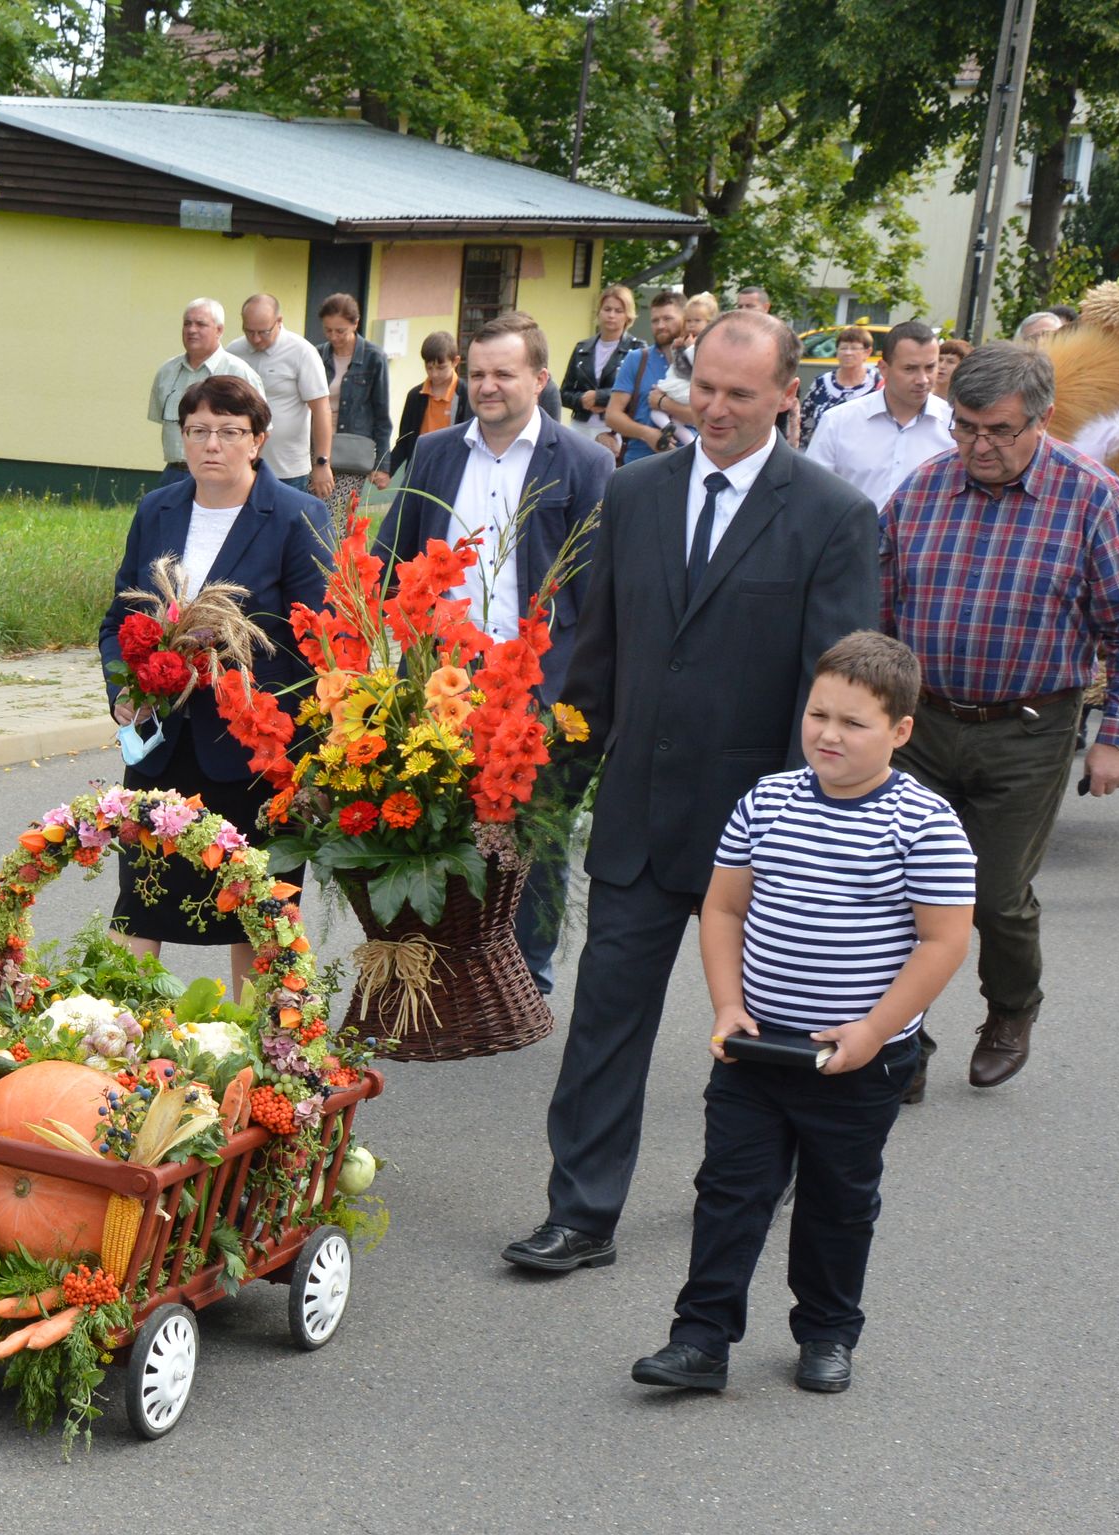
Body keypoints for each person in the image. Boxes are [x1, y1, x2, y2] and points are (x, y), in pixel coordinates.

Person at [504, 309, 883, 1277]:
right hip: (639, 818)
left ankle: (757, 1181)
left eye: (738, 395)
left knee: (764, 1033)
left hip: (762, 835)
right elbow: (596, 664)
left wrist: (811, 832)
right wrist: (545, 802)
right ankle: (580, 1213)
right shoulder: (633, 492)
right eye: (703, 388)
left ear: (787, 397)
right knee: (603, 1025)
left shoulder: (833, 516)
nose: (713, 408)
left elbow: (831, 698)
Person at [628, 634, 975, 1395]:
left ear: (901, 731)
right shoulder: (767, 801)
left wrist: (874, 1031)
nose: (829, 734)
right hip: (757, 1048)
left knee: (837, 1201)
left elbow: (944, 941)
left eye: (854, 723)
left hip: (857, 1059)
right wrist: (728, 1004)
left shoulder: (924, 822)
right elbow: (723, 908)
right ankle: (700, 1339)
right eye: (819, 714)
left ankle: (827, 1330)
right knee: (729, 1192)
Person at [877, 340, 1119, 1093]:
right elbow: (879, 612)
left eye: (1000, 430)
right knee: (896, 890)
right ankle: (901, 1039)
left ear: (1041, 419)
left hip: (1028, 729)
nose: (980, 446)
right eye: (965, 426)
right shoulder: (921, 491)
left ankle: (1011, 1007)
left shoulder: (1093, 497)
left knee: (996, 894)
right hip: (920, 725)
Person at [372, 312, 616, 994]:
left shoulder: (586, 463)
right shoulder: (435, 452)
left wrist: (577, 690)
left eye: (503, 373)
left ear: (539, 379)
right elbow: (394, 553)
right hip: (443, 679)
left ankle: (526, 975)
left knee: (536, 832)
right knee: (442, 824)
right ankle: (445, 966)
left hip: (537, 679)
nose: (487, 386)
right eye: (477, 373)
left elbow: (598, 591)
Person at [99, 372, 332, 971]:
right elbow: (119, 619)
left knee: (257, 911)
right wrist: (124, 688)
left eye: (229, 431)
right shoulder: (157, 509)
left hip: (253, 753)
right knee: (140, 904)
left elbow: (319, 642)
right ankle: (123, 1022)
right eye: (198, 430)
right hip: (162, 748)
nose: (211, 444)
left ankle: (260, 1029)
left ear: (258, 440)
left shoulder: (296, 517)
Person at [802, 321, 954, 511]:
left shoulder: (955, 426)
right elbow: (811, 493)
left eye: (930, 367)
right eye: (910, 369)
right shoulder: (838, 422)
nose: (922, 379)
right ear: (883, 369)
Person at [150, 299, 265, 485]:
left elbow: (262, 430)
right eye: (187, 323)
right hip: (174, 474)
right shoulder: (167, 372)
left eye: (200, 324)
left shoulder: (239, 373)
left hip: (222, 475)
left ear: (219, 330)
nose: (191, 330)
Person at [237, 293, 338, 504]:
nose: (256, 339)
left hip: (286, 469)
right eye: (249, 331)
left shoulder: (302, 352)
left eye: (263, 332)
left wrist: (322, 462)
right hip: (242, 466)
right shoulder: (234, 351)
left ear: (279, 321)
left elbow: (321, 410)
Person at [318, 293, 391, 542]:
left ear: (355, 323)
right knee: (312, 516)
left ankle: (336, 565)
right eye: (328, 330)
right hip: (317, 449)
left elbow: (382, 415)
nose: (333, 337)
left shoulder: (374, 358)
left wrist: (382, 465)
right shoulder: (317, 355)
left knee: (338, 521)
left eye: (340, 331)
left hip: (352, 453)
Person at [602, 290, 687, 465]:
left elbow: (706, 416)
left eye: (668, 319)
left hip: (686, 463)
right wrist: (647, 434)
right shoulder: (637, 359)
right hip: (638, 462)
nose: (660, 325)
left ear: (685, 319)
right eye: (655, 320)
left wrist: (662, 403)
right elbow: (612, 415)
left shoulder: (700, 360)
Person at [377, 332, 470, 486]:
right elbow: (405, 439)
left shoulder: (466, 395)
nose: (435, 374)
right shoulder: (415, 396)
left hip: (451, 474)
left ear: (455, 361)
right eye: (429, 368)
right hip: (418, 471)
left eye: (441, 368)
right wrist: (387, 470)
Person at [560, 285, 638, 438]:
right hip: (580, 426)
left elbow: (639, 392)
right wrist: (582, 400)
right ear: (599, 312)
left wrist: (600, 397)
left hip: (615, 429)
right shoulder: (582, 348)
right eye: (607, 309)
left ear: (628, 316)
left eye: (618, 311)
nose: (611, 315)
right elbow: (564, 393)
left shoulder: (636, 349)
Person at [649, 292, 720, 442]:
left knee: (657, 408)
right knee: (666, 418)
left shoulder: (710, 344)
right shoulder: (687, 340)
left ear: (709, 323)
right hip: (680, 386)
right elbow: (678, 364)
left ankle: (673, 430)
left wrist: (690, 348)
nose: (692, 325)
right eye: (688, 321)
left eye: (697, 320)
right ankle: (680, 436)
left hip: (685, 389)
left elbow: (701, 366)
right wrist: (676, 349)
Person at [797, 326, 879, 443]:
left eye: (854, 348)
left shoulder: (877, 384)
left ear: (867, 352)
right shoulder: (821, 382)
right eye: (843, 348)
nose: (848, 353)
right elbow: (804, 419)